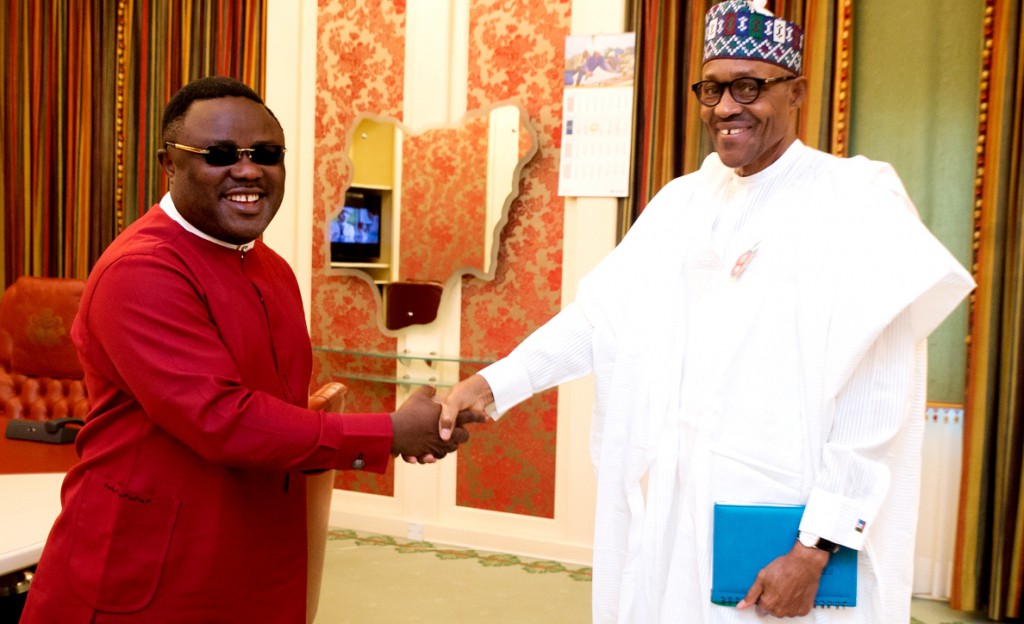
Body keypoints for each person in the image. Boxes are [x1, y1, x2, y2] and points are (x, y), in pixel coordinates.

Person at [439, 1, 975, 622]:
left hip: (789, 518)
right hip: (682, 506)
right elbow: (600, 318)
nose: (725, 107)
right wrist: (492, 385)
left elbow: (877, 393)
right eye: (712, 88)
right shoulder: (683, 203)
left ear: (797, 92)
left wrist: (816, 547)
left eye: (750, 86)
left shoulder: (855, 199)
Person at [21, 76, 480, 623]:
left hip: (257, 554)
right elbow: (224, 420)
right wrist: (389, 432)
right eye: (219, 155)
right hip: (147, 571)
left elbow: (278, 410)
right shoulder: (141, 270)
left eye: (266, 154)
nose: (247, 170)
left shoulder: (272, 268)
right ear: (169, 164)